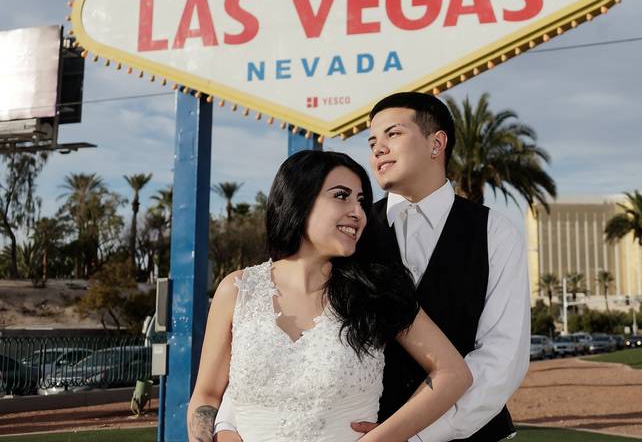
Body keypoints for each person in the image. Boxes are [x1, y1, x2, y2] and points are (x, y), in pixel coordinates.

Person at [189, 150, 472, 442]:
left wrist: (383, 438)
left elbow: (453, 374)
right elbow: (207, 395)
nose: (358, 212)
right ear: (299, 199)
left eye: (361, 201)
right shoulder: (237, 290)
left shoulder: (376, 290)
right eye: (341, 196)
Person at [353, 92, 530, 442]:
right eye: (373, 140)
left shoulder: (496, 232)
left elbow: (502, 356)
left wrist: (414, 436)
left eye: (393, 134)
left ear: (437, 143)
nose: (378, 148)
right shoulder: (353, 231)